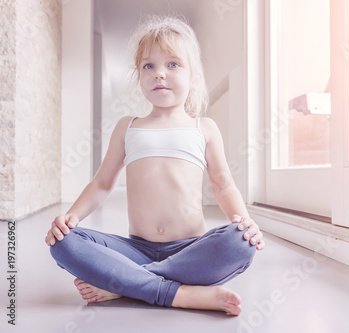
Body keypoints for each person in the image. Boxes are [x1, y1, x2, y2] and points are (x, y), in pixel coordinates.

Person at [45, 15, 265, 316]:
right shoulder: (128, 127)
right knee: (63, 242)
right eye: (149, 65)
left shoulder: (204, 128)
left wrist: (246, 221)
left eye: (173, 64)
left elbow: (223, 184)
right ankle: (180, 294)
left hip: (189, 249)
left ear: (193, 76)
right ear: (139, 75)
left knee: (240, 242)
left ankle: (123, 283)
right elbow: (102, 183)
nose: (159, 74)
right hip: (135, 248)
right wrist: (71, 216)